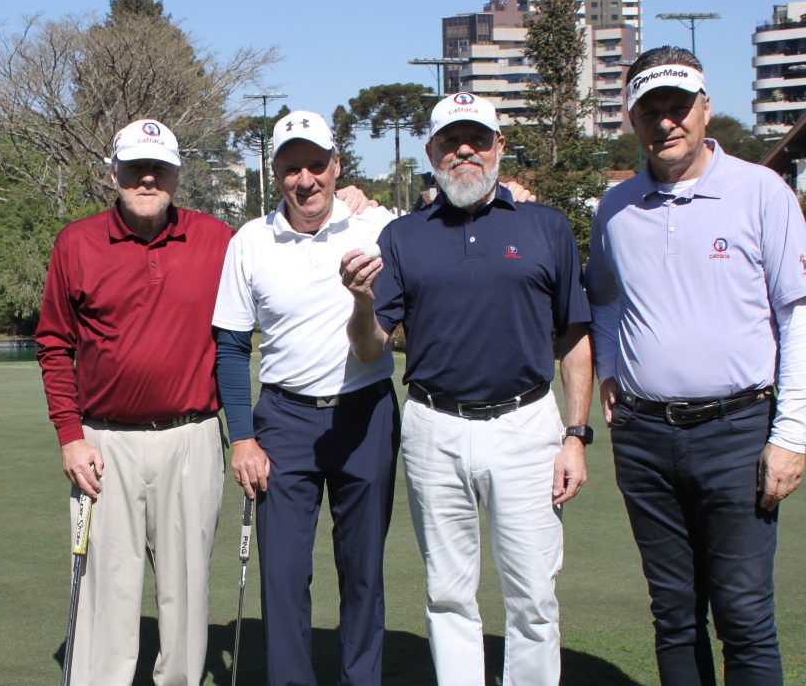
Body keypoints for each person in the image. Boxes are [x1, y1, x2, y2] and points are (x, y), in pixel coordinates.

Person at [37, 117, 375, 685]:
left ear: (176, 174)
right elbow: (53, 344)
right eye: (135, 168)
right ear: (113, 171)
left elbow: (291, 232)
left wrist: (345, 201)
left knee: (187, 592)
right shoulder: (77, 242)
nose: (148, 179)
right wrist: (69, 436)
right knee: (106, 592)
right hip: (102, 444)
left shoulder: (219, 238)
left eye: (160, 169)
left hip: (192, 437)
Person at [342, 92, 593, 686]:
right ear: (431, 152)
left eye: (477, 139)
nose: (464, 151)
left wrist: (576, 435)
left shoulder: (545, 225)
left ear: (499, 147)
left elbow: (575, 338)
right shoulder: (403, 236)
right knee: (448, 595)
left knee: (532, 596)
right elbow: (369, 346)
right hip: (435, 426)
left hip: (527, 423)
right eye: (450, 141)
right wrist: (359, 301)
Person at [585, 46, 806, 684]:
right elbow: (605, 300)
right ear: (632, 119)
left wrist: (791, 434)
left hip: (738, 430)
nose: (666, 123)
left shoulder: (761, 191)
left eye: (678, 107)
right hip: (646, 437)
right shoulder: (616, 207)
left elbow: (796, 317)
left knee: (743, 613)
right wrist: (608, 372)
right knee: (674, 613)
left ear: (705, 109)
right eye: (650, 110)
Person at [212, 110, 402, 686]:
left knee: (363, 569)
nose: (306, 180)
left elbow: (447, 215)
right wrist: (242, 437)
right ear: (275, 174)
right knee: (285, 574)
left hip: (365, 414)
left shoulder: (378, 228)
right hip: (284, 418)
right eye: (292, 168)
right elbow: (230, 348)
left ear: (336, 166)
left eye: (316, 165)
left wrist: (516, 189)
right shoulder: (250, 240)